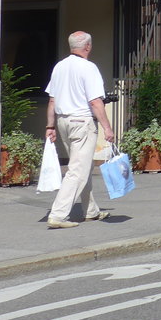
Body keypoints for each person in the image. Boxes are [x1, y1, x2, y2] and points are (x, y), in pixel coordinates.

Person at [45, 31, 116, 229]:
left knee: (80, 166)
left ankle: (90, 211)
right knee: (78, 170)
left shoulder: (59, 66)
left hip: (63, 121)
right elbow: (95, 101)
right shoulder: (89, 68)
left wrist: (50, 126)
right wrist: (107, 128)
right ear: (87, 47)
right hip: (82, 122)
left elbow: (52, 100)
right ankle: (58, 215)